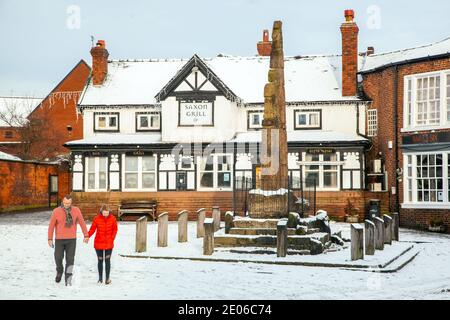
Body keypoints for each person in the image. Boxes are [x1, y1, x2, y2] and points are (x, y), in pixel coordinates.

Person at [48, 195, 89, 286]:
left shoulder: (76, 210)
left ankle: (68, 278)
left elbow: (82, 223)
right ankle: (59, 271)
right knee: (58, 258)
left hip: (71, 239)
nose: (67, 205)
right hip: (59, 239)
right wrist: (50, 238)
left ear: (71, 202)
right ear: (63, 201)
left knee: (70, 260)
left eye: (69, 203)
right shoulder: (56, 211)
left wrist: (86, 235)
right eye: (65, 203)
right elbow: (51, 226)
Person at [87, 204, 118, 285]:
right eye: (104, 213)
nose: (105, 214)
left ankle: (107, 279)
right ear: (101, 212)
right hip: (98, 243)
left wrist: (112, 238)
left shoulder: (113, 218)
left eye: (107, 213)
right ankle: (100, 279)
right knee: (100, 260)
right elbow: (92, 229)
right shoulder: (97, 219)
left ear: (109, 212)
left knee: (107, 260)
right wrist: (87, 236)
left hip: (109, 243)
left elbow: (115, 229)